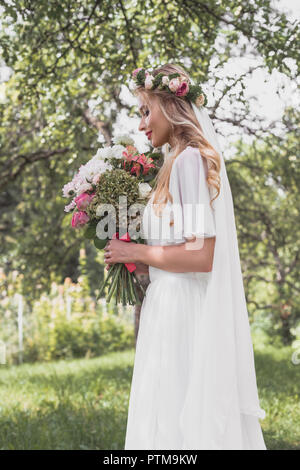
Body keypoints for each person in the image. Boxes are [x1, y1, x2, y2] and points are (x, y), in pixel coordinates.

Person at [103, 63, 267, 450]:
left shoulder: (190, 160)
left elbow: (201, 255)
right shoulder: (173, 164)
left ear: (169, 104)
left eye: (146, 111)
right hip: (166, 305)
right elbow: (182, 246)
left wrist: (136, 249)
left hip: (182, 313)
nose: (142, 124)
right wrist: (141, 260)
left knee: (180, 426)